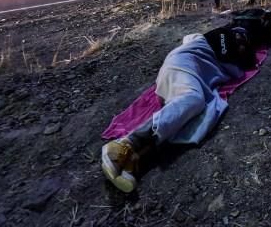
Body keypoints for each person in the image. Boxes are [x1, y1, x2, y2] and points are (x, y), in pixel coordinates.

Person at [101, 26, 255, 192]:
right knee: (194, 100)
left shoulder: (202, 37)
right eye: (241, 41)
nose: (240, 45)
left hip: (177, 70)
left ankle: (134, 158)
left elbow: (188, 37)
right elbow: (238, 72)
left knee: (193, 117)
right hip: (182, 68)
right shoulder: (227, 46)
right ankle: (125, 144)